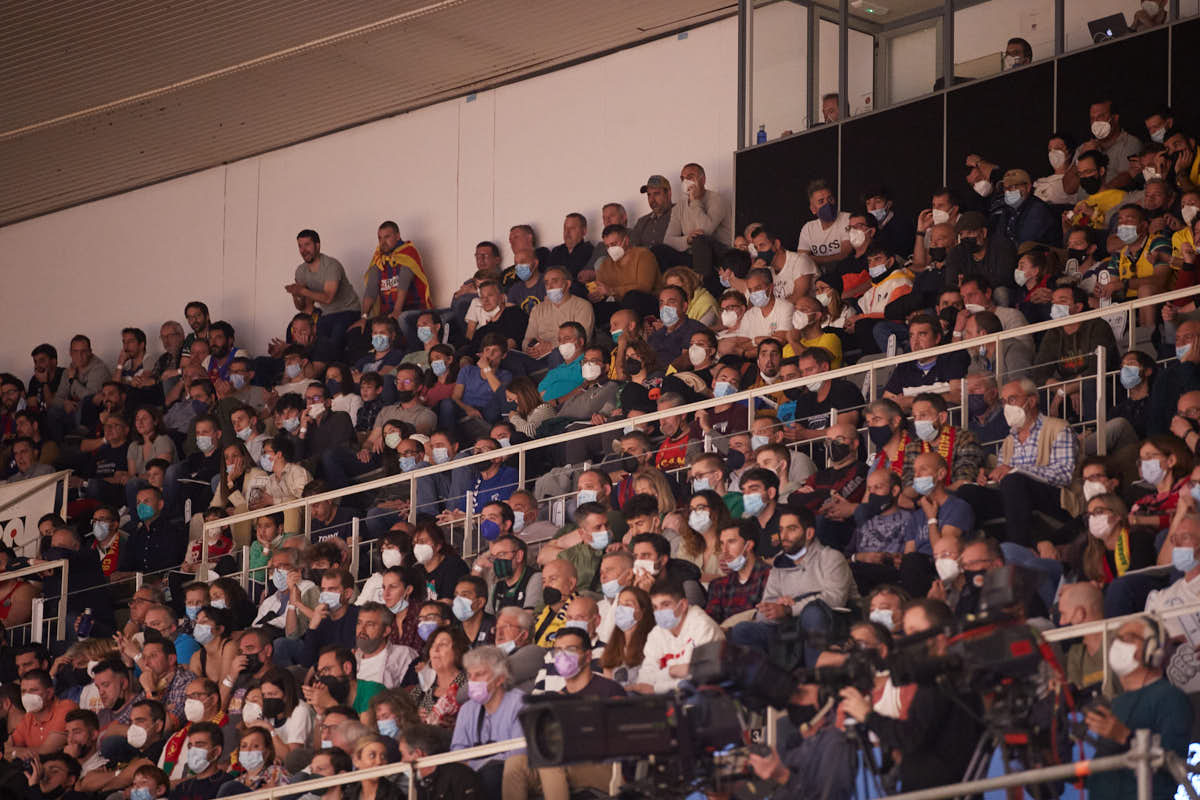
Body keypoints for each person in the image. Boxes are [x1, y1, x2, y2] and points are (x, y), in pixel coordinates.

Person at [838, 598, 982, 792]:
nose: (908, 640)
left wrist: (867, 715)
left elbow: (910, 737)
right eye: (906, 632)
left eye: (914, 632)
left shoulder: (941, 681)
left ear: (940, 636)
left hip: (937, 792)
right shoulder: (946, 676)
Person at [957, 378, 1077, 547]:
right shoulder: (1009, 441)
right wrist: (987, 479)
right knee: (967, 491)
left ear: (1032, 400)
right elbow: (1002, 476)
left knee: (1013, 480)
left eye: (1012, 399)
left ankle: (1019, 548)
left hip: (1053, 498)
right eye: (1004, 402)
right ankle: (975, 550)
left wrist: (1016, 470)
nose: (1007, 406)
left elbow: (1064, 476)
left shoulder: (1058, 428)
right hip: (1015, 497)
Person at [1085, 617, 1189, 800]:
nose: (1118, 644)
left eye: (1129, 637)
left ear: (1153, 650)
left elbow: (1173, 765)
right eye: (1116, 638)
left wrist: (1124, 736)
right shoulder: (1114, 705)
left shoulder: (1171, 698)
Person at [450, 646, 525, 797]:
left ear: (500, 679)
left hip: (510, 773)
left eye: (479, 674)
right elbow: (457, 753)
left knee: (492, 773)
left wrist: (475, 764)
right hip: (472, 774)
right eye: (470, 675)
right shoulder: (466, 710)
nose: (472, 681)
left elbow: (518, 754)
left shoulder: (520, 703)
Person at [630, 577, 724, 694]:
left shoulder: (703, 627)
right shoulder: (656, 633)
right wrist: (671, 672)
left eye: (665, 604)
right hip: (665, 698)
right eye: (655, 607)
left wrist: (657, 687)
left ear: (683, 605)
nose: (659, 612)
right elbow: (645, 678)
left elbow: (699, 678)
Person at [399, 724, 483, 800]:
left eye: (403, 755)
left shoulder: (460, 776)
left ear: (418, 753)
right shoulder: (418, 784)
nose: (402, 761)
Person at [167, 721, 230, 800]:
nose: (193, 751)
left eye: (199, 745)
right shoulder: (181, 788)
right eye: (190, 746)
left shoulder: (229, 786)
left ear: (216, 751)